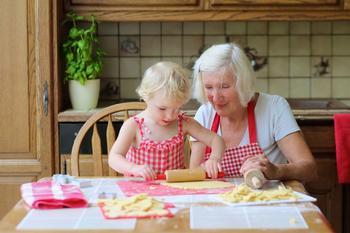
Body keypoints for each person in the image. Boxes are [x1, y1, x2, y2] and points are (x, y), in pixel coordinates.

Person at [190, 43, 317, 182]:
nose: (215, 97)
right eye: (208, 87)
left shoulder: (273, 108)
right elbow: (193, 175)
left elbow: (309, 169)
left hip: (267, 201)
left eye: (224, 86)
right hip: (218, 201)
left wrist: (276, 170)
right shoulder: (204, 114)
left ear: (243, 83)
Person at [108, 61, 225, 180]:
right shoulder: (133, 125)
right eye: (162, 108)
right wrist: (133, 168)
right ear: (146, 97)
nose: (170, 116)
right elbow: (114, 157)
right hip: (140, 192)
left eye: (177, 108)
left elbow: (216, 139)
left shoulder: (183, 123)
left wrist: (214, 159)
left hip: (174, 191)